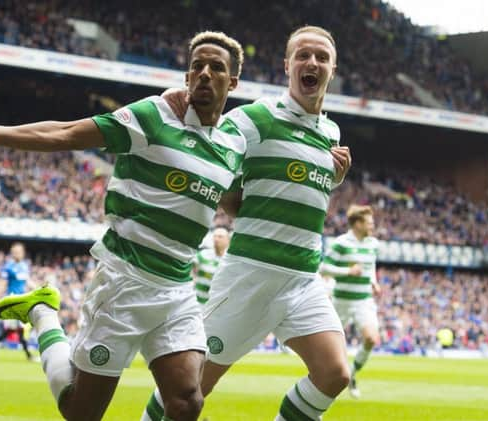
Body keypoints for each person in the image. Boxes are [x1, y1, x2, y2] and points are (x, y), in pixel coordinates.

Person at [0, 31, 245, 421]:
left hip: (176, 289)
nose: (204, 73)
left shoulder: (233, 145)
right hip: (125, 282)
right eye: (196, 66)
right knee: (80, 411)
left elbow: (237, 203)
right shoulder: (154, 116)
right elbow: (66, 133)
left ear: (233, 82)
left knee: (187, 401)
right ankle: (42, 314)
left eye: (216, 68)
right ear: (187, 76)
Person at [144, 25, 352, 421]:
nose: (313, 63)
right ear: (287, 65)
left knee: (334, 373)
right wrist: (181, 106)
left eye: (322, 57)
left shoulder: (330, 131)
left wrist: (333, 178)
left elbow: (299, 188)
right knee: (190, 389)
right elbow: (209, 144)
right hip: (250, 276)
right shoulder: (256, 118)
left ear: (333, 68)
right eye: (304, 56)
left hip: (302, 279)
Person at [319, 205, 380, 399]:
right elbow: (323, 268)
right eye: (369, 222)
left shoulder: (372, 244)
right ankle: (325, 379)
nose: (373, 225)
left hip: (364, 300)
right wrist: (347, 271)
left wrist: (374, 282)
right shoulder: (341, 243)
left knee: (371, 338)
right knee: (329, 347)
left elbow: (370, 267)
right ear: (358, 223)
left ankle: (352, 373)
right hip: (342, 301)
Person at [0, 242, 37, 361]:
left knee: (13, 330)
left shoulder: (24, 265)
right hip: (12, 301)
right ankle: (29, 355)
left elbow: (28, 281)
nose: (17, 254)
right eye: (15, 252)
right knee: (18, 329)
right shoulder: (8, 267)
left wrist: (39, 289)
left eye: (19, 251)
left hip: (22, 301)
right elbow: (2, 285)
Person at [193, 226, 230, 305]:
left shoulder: (228, 261)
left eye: (220, 237)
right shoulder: (202, 255)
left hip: (213, 302)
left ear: (228, 240)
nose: (216, 239)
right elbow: (192, 274)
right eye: (215, 236)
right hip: (196, 301)